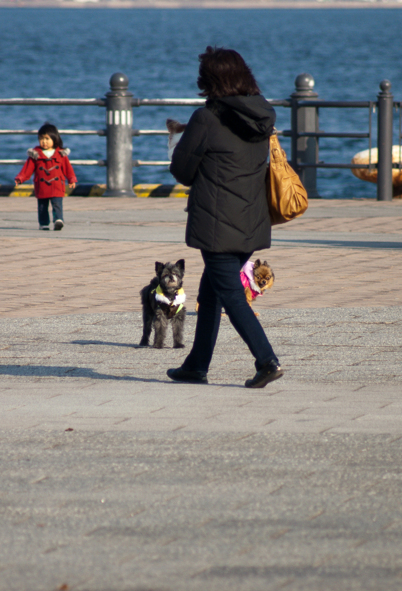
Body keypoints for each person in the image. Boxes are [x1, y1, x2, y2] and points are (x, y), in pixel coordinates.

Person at [165, 46, 284, 389]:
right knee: (213, 290)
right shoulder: (262, 116)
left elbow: (183, 170)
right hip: (251, 222)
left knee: (230, 293)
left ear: (211, 81)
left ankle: (267, 361)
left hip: (218, 224)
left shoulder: (207, 118)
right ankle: (196, 365)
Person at [14, 123, 77, 231]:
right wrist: (20, 178)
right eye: (41, 139)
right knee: (42, 206)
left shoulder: (61, 154)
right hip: (42, 185)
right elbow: (27, 168)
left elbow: (68, 168)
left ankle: (58, 220)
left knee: (57, 204)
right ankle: (44, 224)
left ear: (55, 139)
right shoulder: (35, 154)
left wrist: (71, 179)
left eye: (47, 139)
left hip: (57, 184)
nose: (44, 142)